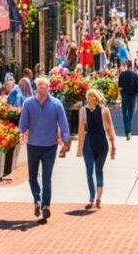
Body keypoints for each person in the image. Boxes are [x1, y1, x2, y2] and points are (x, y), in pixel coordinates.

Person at [18, 76, 71, 223]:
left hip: (50, 147)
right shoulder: (28, 104)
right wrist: (21, 133)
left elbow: (63, 124)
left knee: (47, 178)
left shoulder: (56, 104)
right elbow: (23, 123)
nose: (42, 88)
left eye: (45, 86)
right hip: (33, 146)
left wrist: (66, 142)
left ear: (49, 88)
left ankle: (46, 205)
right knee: (32, 177)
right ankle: (37, 201)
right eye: (40, 86)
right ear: (36, 87)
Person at [77, 88, 117, 210]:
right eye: (89, 96)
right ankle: (91, 198)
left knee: (99, 170)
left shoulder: (104, 111)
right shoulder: (83, 111)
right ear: (87, 98)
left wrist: (113, 144)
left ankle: (99, 198)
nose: (91, 99)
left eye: (94, 96)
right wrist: (80, 147)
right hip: (89, 142)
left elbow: (110, 127)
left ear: (97, 98)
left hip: (101, 143)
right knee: (89, 171)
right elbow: (81, 129)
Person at [117, 61, 138, 140]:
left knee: (124, 113)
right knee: (131, 113)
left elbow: (119, 86)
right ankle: (129, 131)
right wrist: (136, 93)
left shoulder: (122, 74)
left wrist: (121, 94)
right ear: (132, 66)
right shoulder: (135, 75)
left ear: (126, 65)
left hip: (125, 95)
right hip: (133, 95)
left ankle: (127, 131)